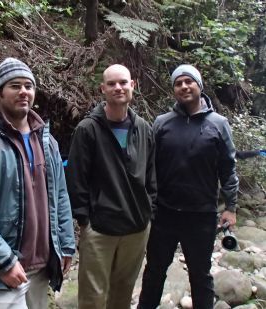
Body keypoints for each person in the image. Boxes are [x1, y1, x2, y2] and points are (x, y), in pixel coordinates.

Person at [0, 57, 75, 308]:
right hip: (2, 270)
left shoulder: (47, 142)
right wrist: (3, 262)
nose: (23, 92)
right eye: (15, 86)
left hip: (41, 263)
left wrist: (65, 244)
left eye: (28, 86)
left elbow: (60, 195)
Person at [138, 64, 239, 309]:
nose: (184, 86)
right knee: (154, 272)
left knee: (200, 276)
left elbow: (228, 166)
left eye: (188, 81)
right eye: (178, 83)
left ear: (199, 85)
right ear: (173, 89)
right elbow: (149, 167)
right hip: (164, 213)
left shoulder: (218, 123)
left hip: (201, 214)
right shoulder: (162, 123)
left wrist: (231, 207)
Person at [66, 64, 156, 309]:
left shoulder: (144, 128)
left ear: (132, 86)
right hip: (100, 228)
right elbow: (76, 178)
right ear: (102, 89)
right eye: (112, 83)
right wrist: (84, 219)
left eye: (123, 82)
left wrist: (149, 210)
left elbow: (151, 175)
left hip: (136, 226)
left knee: (123, 292)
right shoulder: (88, 129)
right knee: (93, 295)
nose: (118, 88)